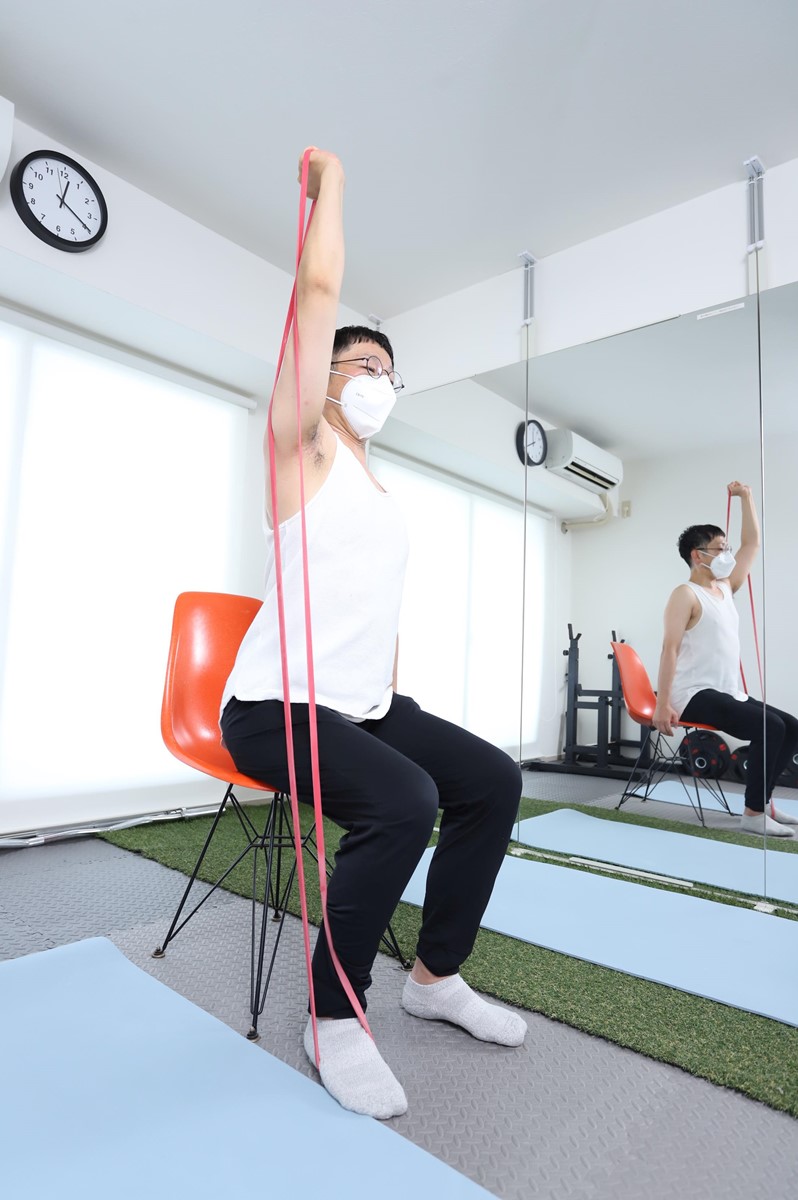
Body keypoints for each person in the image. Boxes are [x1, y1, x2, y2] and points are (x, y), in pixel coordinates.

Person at [219, 148, 525, 1120]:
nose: (379, 382)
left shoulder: (379, 488)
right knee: (405, 801)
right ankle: (333, 1015)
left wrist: (392, 700)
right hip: (272, 709)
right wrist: (334, 188)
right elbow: (316, 293)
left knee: (492, 780)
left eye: (391, 373)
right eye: (363, 366)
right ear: (323, 379)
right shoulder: (300, 450)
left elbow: (373, 613)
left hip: (360, 706)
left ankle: (434, 979)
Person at [652, 482, 798, 836]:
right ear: (697, 555)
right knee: (771, 727)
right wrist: (661, 704)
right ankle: (753, 813)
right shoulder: (685, 594)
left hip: (726, 691)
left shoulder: (725, 588)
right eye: (720, 548)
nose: (727, 554)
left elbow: (752, 544)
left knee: (792, 727)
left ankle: (763, 803)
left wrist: (746, 498)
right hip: (692, 694)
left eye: (726, 548)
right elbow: (669, 649)